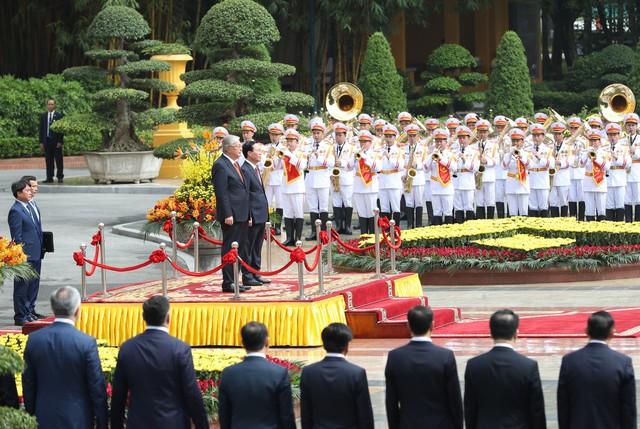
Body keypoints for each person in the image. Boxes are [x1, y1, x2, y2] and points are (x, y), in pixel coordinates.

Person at [111, 295, 208, 429]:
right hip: (173, 423)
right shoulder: (180, 349)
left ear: (143, 317)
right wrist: (202, 425)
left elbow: (118, 395)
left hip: (138, 423)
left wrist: (116, 425)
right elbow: (191, 393)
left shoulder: (128, 348)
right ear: (168, 318)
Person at [22, 286, 108, 429]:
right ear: (77, 310)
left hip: (43, 417)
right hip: (77, 419)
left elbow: (28, 385)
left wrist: (31, 416)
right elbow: (97, 388)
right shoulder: (86, 343)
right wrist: (102, 423)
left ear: (53, 308)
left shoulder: (34, 340)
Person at [464, 309, 546, 429]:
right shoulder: (528, 366)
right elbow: (536, 410)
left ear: (491, 333)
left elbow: (470, 408)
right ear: (516, 334)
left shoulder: (474, 365)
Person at [385, 305, 463, 429]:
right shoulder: (444, 356)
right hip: (440, 424)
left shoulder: (395, 357)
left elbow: (391, 402)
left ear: (409, 326)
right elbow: (454, 399)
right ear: (432, 325)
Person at [557, 310, 636, 429]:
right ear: (612, 332)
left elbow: (563, 406)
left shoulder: (569, 361)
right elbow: (628, 408)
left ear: (586, 331)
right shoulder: (623, 363)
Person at [218, 322, 296, 429]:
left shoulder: (228, 373)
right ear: (267, 342)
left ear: (242, 343)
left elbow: (224, 414)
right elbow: (286, 415)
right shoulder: (279, 373)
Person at [300, 323, 374, 429]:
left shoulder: (309, 372)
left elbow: (306, 412)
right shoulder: (356, 373)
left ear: (324, 345)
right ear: (347, 345)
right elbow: (364, 413)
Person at [212, 135, 251, 292]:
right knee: (230, 247)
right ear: (228, 148)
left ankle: (236, 278)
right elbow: (221, 193)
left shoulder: (234, 164)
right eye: (237, 146)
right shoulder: (220, 165)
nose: (240, 148)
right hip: (231, 215)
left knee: (239, 248)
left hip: (241, 213)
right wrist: (227, 214)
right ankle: (228, 282)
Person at [8, 179, 44, 325]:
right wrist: (20, 256)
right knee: (22, 286)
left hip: (36, 252)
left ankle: (28, 312)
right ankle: (20, 316)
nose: (30, 193)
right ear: (19, 193)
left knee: (32, 284)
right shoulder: (15, 211)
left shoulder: (29, 207)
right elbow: (17, 237)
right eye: (27, 191)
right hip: (25, 254)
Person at [241, 141, 271, 286]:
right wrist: (249, 216)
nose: (260, 153)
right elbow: (246, 195)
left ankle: (256, 272)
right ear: (249, 153)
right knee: (248, 246)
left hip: (260, 214)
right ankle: (247, 275)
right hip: (253, 215)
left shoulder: (255, 168)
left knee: (257, 245)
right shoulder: (245, 169)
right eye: (257, 151)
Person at [38, 99, 64, 183]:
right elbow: (41, 130)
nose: (50, 106)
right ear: (47, 105)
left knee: (58, 159)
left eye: (52, 104)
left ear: (54, 105)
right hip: (47, 141)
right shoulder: (43, 116)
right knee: (48, 160)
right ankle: (49, 177)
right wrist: (41, 141)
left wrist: (60, 141)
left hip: (56, 141)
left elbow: (61, 130)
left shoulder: (59, 116)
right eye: (49, 104)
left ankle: (60, 176)